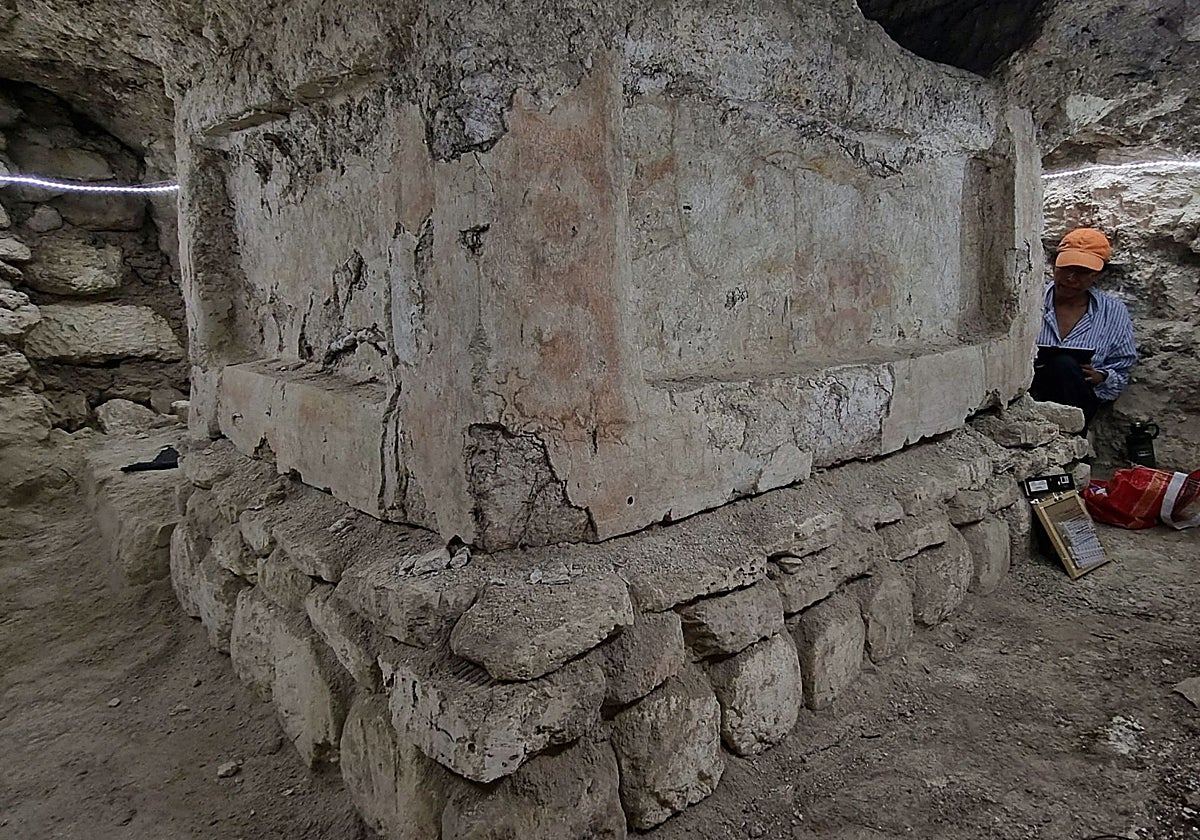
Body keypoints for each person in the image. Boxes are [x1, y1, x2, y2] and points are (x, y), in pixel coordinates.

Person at [1031, 227, 1137, 425]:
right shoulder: (1028, 303)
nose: (1071, 279)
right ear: (1054, 265)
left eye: (1082, 272)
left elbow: (1122, 369)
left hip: (1078, 403)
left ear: (1097, 275)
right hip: (1030, 396)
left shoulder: (1112, 312)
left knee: (1065, 366)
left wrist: (1101, 377)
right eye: (1065, 269)